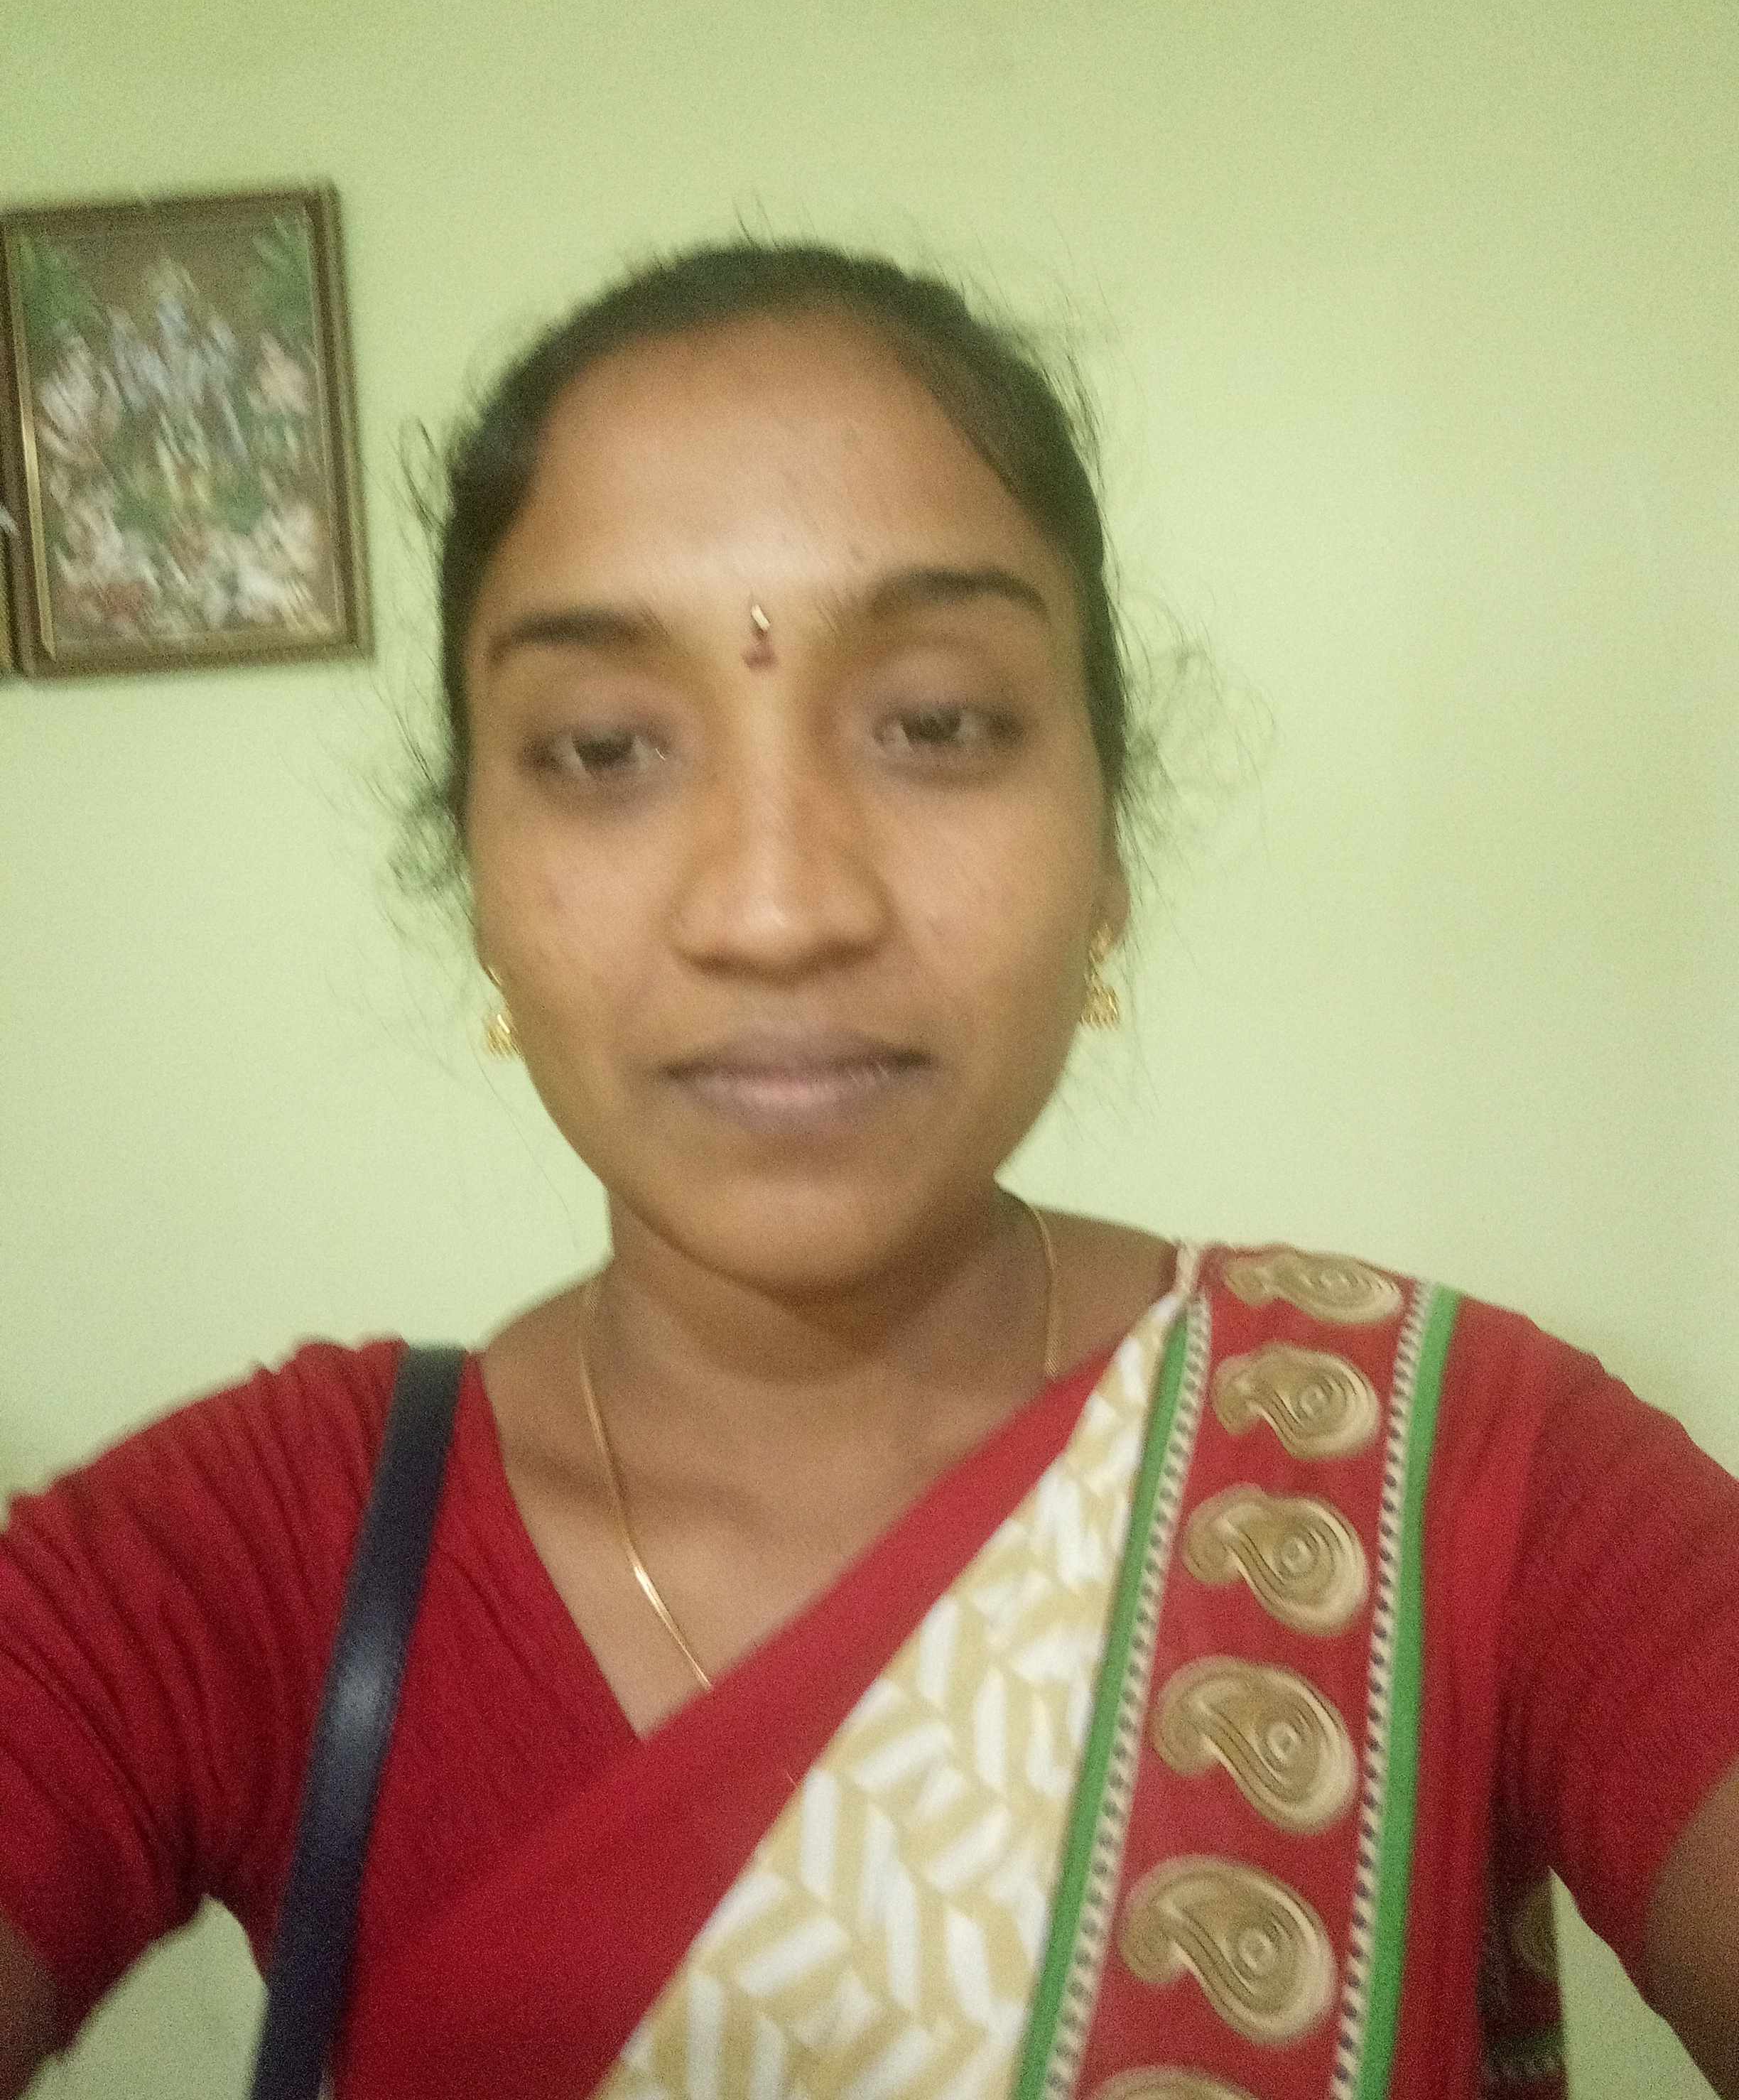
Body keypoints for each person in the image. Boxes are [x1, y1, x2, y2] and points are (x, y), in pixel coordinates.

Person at [1, 240, 1736, 2100]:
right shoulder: (239, 1566)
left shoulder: (1458, 1483)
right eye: (601, 748)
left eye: (940, 725)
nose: (778, 909)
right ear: (479, 879)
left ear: (1109, 846)